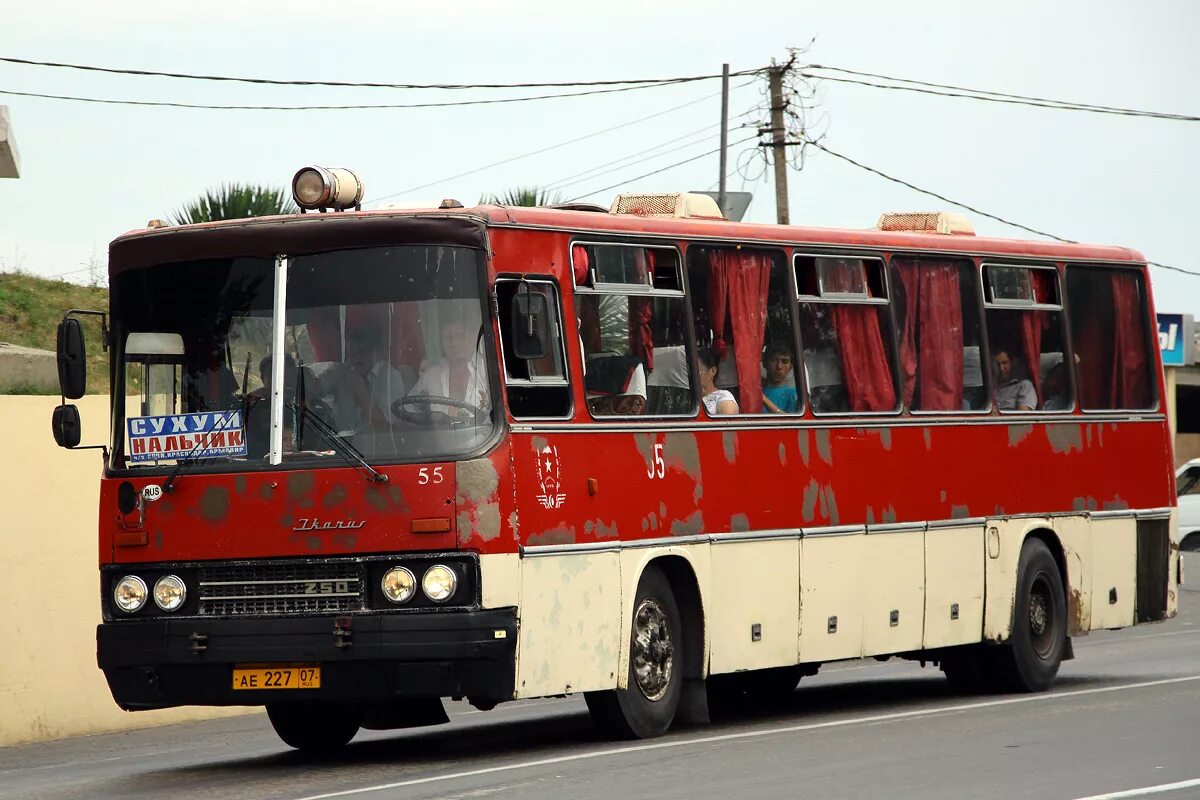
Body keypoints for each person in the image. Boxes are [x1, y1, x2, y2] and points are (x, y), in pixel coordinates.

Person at [319, 327, 410, 430]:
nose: (356, 357)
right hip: (340, 443)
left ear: (376, 352)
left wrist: (361, 392)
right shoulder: (341, 370)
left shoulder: (391, 377)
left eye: (362, 352)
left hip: (378, 444)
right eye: (351, 352)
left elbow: (386, 426)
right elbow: (315, 388)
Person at [408, 316, 491, 421]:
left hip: (485, 436)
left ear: (472, 337)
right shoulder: (432, 374)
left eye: (460, 336)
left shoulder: (488, 369)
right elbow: (409, 406)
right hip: (442, 436)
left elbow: (502, 414)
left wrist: (488, 405)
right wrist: (423, 422)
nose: (454, 342)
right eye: (448, 338)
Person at [698, 347, 738, 415]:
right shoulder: (687, 396)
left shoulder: (723, 396)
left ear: (712, 371)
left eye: (697, 371)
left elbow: (728, 420)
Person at [761, 343, 799, 414]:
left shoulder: (793, 394)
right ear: (764, 362)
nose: (779, 366)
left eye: (785, 362)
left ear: (790, 367)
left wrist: (764, 400)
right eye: (774, 360)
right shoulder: (754, 390)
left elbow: (791, 422)